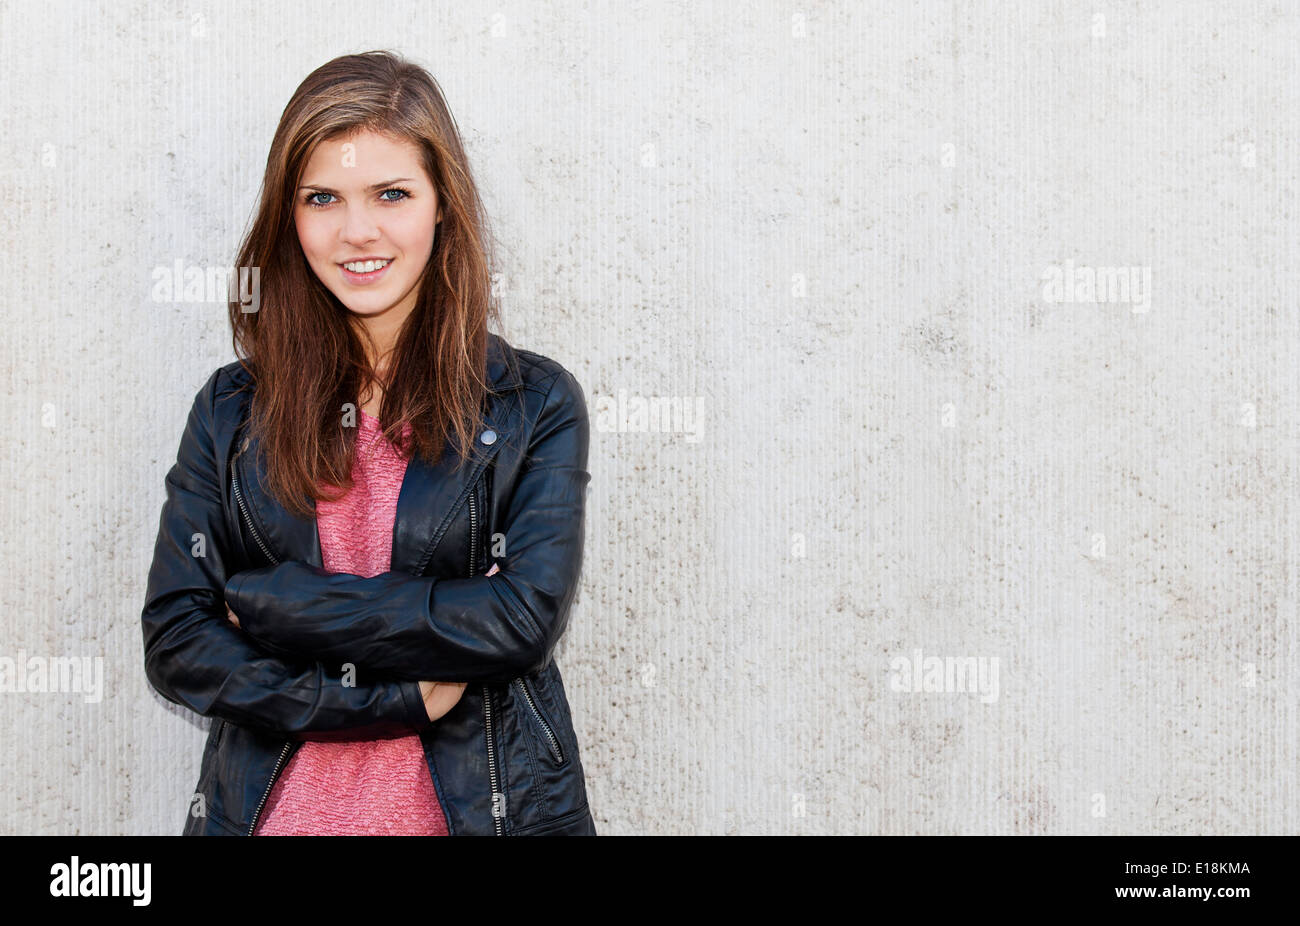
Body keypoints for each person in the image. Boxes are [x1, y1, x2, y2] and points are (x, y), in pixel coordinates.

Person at [141, 50, 597, 836]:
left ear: (442, 204)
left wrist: (268, 600)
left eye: (391, 193)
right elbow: (179, 639)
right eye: (323, 197)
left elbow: (520, 621)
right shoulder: (229, 410)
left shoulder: (533, 405)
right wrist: (386, 697)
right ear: (289, 215)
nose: (358, 232)